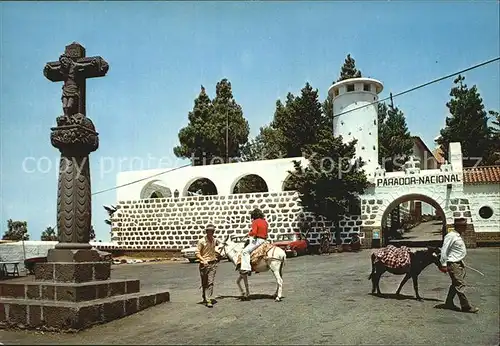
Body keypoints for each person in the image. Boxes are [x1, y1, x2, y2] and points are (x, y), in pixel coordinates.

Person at [439, 218, 479, 313]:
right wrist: (443, 264)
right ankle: (466, 307)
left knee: (455, 283)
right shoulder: (451, 236)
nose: (465, 227)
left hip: (458, 262)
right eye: (464, 226)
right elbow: (444, 250)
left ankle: (448, 303)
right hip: (453, 264)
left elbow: (455, 251)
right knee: (460, 284)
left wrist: (460, 261)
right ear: (458, 226)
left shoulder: (458, 235)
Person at [195, 224, 220, 308]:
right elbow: (197, 253)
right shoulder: (201, 241)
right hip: (204, 264)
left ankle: (209, 299)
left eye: (212, 231)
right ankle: (204, 296)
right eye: (209, 231)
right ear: (206, 232)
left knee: (210, 282)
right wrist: (203, 260)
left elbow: (217, 249)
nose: (211, 233)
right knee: (204, 282)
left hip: (213, 263)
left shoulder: (215, 240)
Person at [240, 208, 268, 275]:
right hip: (265, 240)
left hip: (258, 240)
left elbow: (254, 232)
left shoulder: (255, 222)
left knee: (245, 251)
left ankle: (247, 268)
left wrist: (249, 234)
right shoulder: (265, 222)